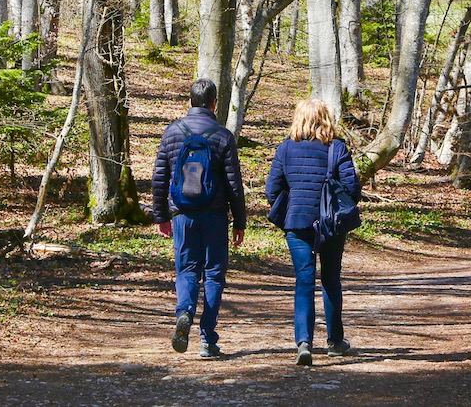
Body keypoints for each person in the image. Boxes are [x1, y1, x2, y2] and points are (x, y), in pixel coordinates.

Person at [152, 78, 247, 359]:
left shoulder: (172, 133)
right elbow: (233, 184)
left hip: (182, 215)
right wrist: (239, 221)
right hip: (215, 216)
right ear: (214, 103)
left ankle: (184, 312)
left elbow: (159, 179)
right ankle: (208, 338)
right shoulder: (222, 136)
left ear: (189, 101)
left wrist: (161, 215)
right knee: (215, 275)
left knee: (187, 270)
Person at [265, 98, 361, 367]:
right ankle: (335, 342)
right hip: (331, 224)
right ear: (326, 119)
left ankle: (304, 342)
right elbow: (353, 189)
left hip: (297, 223)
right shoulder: (336, 148)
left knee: (303, 281)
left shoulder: (285, 149)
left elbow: (271, 189)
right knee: (331, 279)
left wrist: (290, 202)